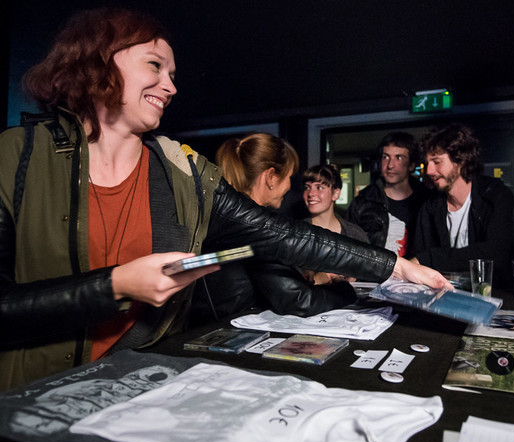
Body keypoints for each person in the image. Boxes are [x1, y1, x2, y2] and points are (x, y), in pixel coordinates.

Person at [0, 8, 450, 390]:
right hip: (33, 393)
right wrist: (115, 286)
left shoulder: (182, 170)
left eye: (172, 74)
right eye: (155, 66)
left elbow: (277, 234)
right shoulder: (14, 159)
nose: (171, 86)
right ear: (96, 64)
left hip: (144, 384)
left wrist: (396, 266)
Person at [191, 133, 364, 320]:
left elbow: (263, 278)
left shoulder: (231, 219)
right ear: (271, 177)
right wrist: (347, 290)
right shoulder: (255, 226)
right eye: (290, 177)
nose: (290, 186)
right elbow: (300, 301)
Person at [412, 123, 514, 284]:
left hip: (493, 295)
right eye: (427, 163)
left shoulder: (496, 195)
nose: (429, 171)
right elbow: (419, 258)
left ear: (461, 160)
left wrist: (430, 258)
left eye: (437, 162)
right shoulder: (429, 207)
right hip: (443, 295)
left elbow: (496, 253)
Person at [347, 131, 429, 257]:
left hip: (417, 275)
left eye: (399, 158)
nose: (390, 165)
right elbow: (349, 250)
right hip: (373, 275)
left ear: (412, 165)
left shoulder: (428, 201)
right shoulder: (362, 202)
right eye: (385, 157)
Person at [303, 163, 368, 243]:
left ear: (335, 194)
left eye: (319, 187)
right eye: (307, 187)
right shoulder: (296, 232)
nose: (310, 193)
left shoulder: (354, 235)